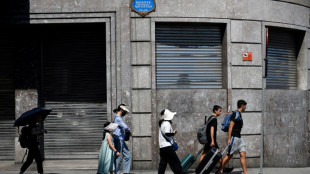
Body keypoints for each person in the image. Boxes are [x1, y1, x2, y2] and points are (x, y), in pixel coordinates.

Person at [217, 100, 248, 174]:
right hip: (234, 137)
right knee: (229, 155)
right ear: (242, 106)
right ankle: (219, 171)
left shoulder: (239, 114)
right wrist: (229, 139)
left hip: (239, 138)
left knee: (243, 153)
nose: (245, 107)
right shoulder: (235, 114)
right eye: (245, 106)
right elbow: (230, 127)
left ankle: (245, 172)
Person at [158, 109, 183, 174]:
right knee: (176, 163)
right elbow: (167, 133)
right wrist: (174, 133)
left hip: (162, 147)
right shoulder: (167, 123)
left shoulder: (162, 123)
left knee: (162, 165)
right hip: (167, 147)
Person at [113, 104, 131, 174]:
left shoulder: (119, 118)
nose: (125, 113)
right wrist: (128, 130)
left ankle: (125, 172)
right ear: (121, 110)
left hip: (121, 139)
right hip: (118, 139)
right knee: (118, 157)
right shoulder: (117, 118)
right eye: (125, 111)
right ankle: (116, 172)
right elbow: (125, 127)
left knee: (128, 156)